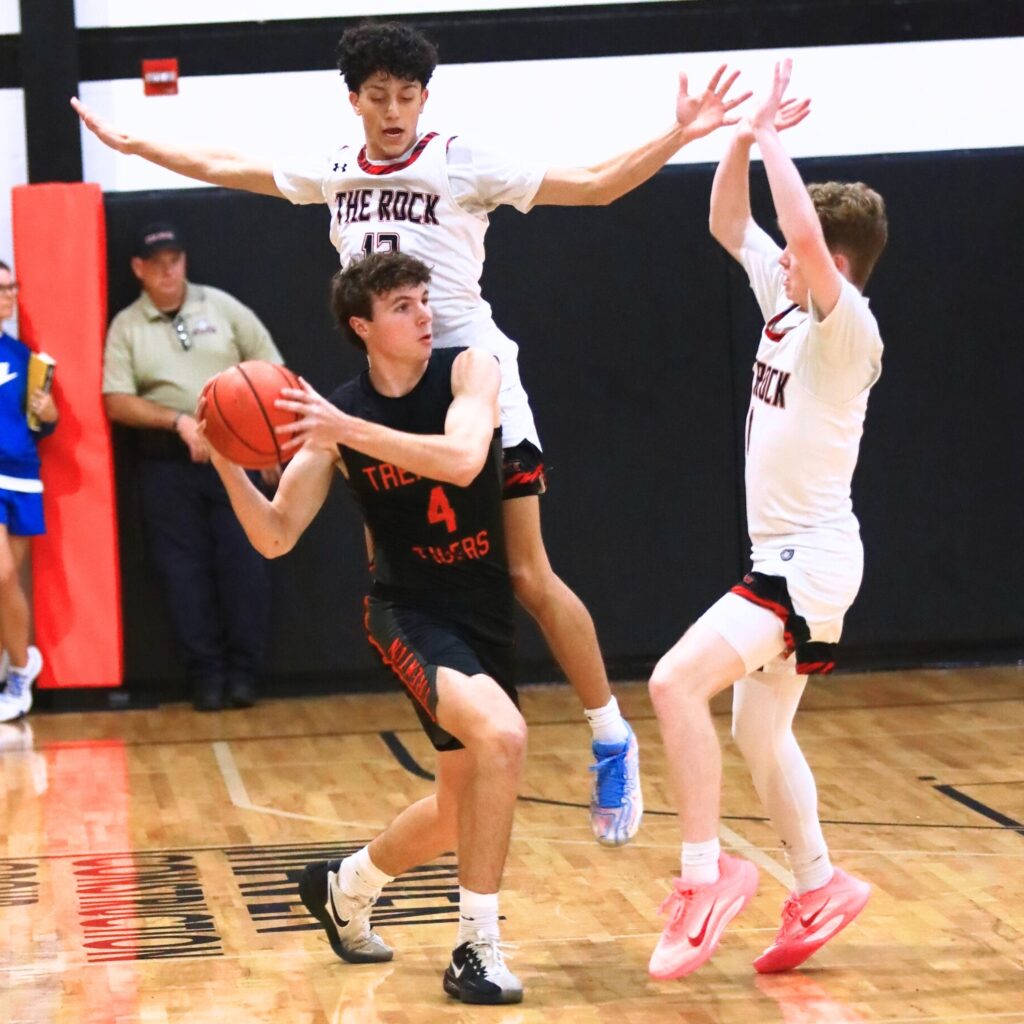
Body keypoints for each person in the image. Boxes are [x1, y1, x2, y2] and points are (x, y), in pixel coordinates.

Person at [72, 22, 751, 844]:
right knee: (404, 574)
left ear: (425, 98)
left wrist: (682, 130)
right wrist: (130, 140)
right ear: (353, 100)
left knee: (529, 574)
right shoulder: (333, 168)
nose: (394, 110)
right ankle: (456, 746)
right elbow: (226, 167)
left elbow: (598, 184)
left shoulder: (462, 158)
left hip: (472, 381)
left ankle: (609, 732)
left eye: (408, 95)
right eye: (379, 96)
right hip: (391, 393)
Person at [205, 252, 526, 1004]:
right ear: (364, 327)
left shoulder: (468, 370)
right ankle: (476, 948)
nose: (425, 317)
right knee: (505, 738)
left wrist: (346, 429)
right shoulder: (333, 425)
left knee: (457, 810)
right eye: (405, 308)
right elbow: (277, 534)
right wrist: (226, 464)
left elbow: (462, 457)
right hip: (407, 613)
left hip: (483, 612)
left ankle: (346, 886)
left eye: (424, 301)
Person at [647, 60, 888, 980]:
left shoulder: (847, 326)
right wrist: (741, 138)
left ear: (832, 262)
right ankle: (820, 882)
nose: (778, 255)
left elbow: (798, 236)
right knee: (757, 732)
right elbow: (724, 221)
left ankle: (705, 878)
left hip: (808, 558)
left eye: (798, 250)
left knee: (674, 685)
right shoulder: (786, 299)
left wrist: (780, 143)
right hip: (794, 556)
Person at [103, 223, 284, 711]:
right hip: (167, 465)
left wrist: (269, 444)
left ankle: (245, 674)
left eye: (174, 258)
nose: (168, 269)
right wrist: (179, 421)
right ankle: (206, 676)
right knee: (182, 575)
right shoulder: (128, 326)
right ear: (138, 269)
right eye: (156, 261)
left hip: (236, 459)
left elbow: (272, 370)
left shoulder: (221, 306)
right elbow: (116, 400)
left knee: (246, 565)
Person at [0, 260, 58, 723]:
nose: (7, 295)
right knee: (1, 575)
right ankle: (21, 668)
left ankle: (14, 666)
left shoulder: (25, 356)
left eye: (11, 287)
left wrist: (49, 413)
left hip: (22, 477)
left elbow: (36, 429)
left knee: (4, 584)